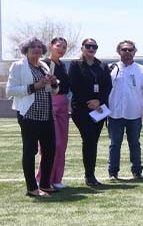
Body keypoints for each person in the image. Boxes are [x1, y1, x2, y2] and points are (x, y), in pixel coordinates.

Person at [7, 38, 59, 197]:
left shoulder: (44, 65)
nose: (36, 49)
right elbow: (10, 90)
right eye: (32, 47)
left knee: (50, 150)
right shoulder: (18, 66)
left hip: (47, 115)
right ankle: (32, 187)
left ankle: (44, 184)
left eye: (38, 47)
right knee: (30, 151)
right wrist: (34, 87)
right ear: (25, 50)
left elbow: (52, 90)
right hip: (28, 115)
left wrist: (54, 83)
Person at [107, 40, 143, 181]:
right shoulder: (111, 69)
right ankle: (113, 172)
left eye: (130, 50)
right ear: (118, 51)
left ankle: (137, 170)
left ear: (134, 52)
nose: (127, 52)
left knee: (135, 143)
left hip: (134, 113)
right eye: (124, 50)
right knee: (114, 144)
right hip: (114, 113)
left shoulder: (141, 70)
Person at [69, 37, 113, 187]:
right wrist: (89, 102)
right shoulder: (75, 65)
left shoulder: (102, 65)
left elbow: (108, 86)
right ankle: (89, 175)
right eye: (88, 46)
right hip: (81, 109)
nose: (91, 49)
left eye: (94, 46)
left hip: (99, 109)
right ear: (82, 48)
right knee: (88, 139)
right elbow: (74, 86)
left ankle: (91, 175)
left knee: (93, 141)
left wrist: (98, 101)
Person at [38, 37, 71, 189]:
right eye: (58, 46)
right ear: (51, 46)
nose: (61, 49)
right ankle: (43, 178)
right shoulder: (44, 63)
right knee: (52, 144)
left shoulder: (62, 65)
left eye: (64, 47)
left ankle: (57, 178)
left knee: (62, 144)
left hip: (63, 105)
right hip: (50, 102)